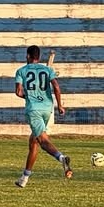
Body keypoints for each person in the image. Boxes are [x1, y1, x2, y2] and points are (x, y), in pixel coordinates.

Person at [14, 45, 71, 187]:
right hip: (47, 108)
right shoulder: (48, 70)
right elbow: (56, 87)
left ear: (28, 56)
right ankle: (24, 178)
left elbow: (18, 92)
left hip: (34, 109)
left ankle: (61, 158)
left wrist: (30, 97)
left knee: (43, 141)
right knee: (34, 142)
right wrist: (60, 105)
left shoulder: (21, 71)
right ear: (38, 57)